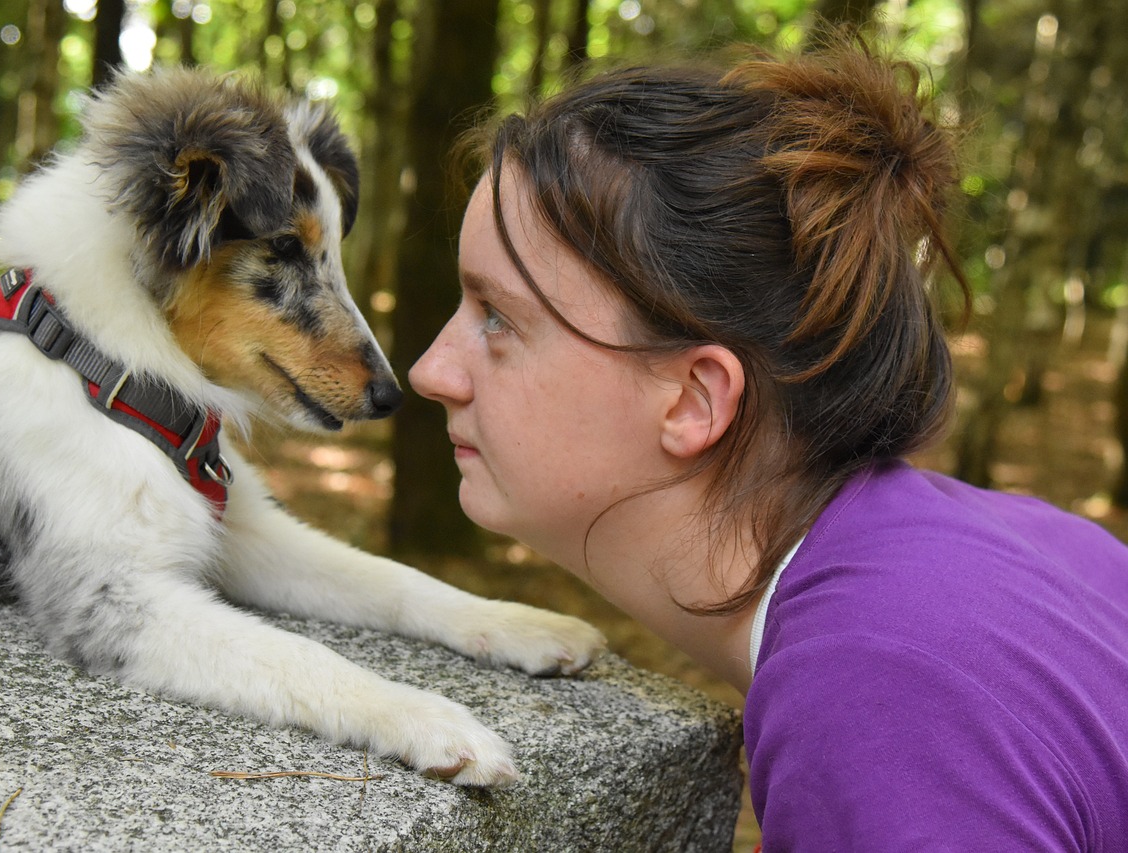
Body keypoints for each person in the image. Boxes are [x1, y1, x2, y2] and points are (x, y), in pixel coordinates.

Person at [408, 33, 1128, 849]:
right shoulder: (1024, 544)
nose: (432, 370)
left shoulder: (875, 686)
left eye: (498, 317)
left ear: (692, 399)